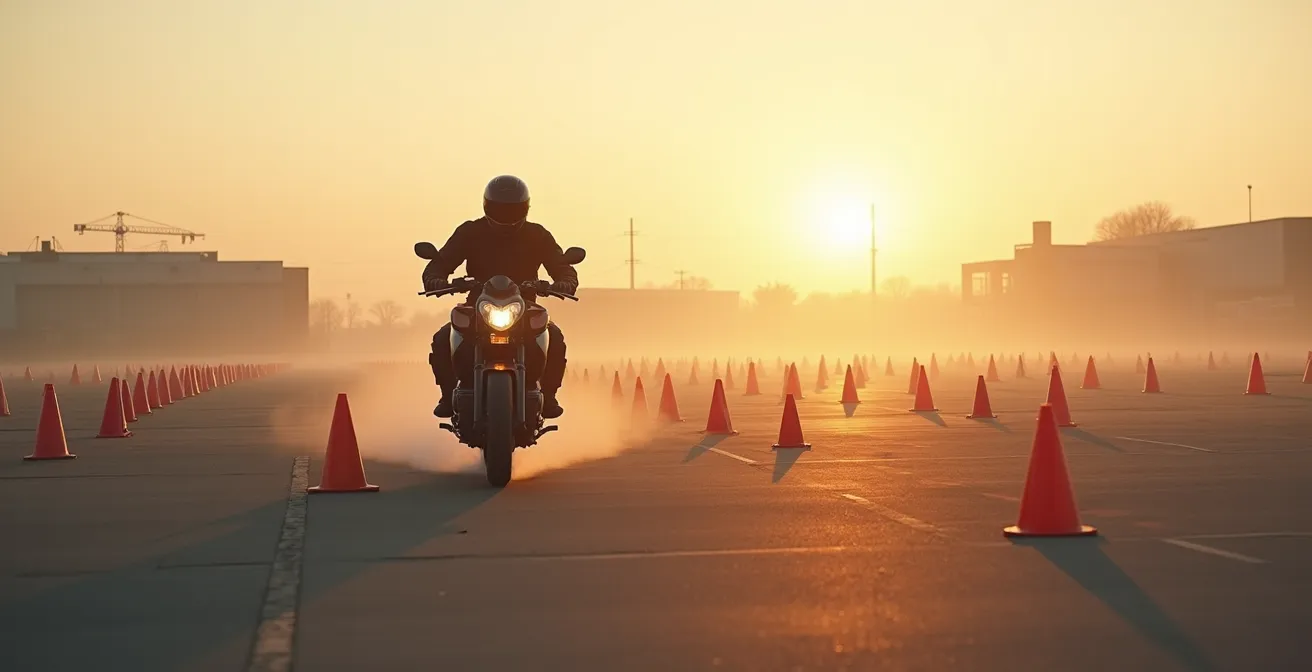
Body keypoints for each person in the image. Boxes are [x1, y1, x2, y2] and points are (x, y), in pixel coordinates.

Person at [423, 175, 578, 419]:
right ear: (487, 206)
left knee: (554, 337)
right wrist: (435, 278)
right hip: (477, 303)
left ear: (524, 208)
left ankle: (548, 397)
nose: (506, 215)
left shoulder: (537, 235)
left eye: (512, 209)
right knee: (444, 337)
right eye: (500, 209)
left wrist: (565, 282)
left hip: (524, 304)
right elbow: (441, 261)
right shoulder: (470, 231)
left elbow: (561, 265)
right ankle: (446, 394)